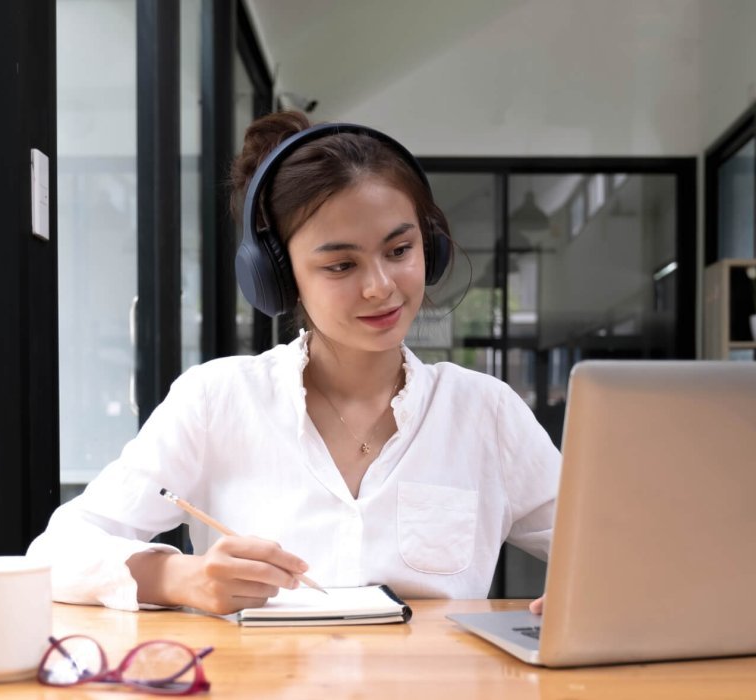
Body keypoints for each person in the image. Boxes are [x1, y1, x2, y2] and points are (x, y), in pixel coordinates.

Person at [28, 111, 560, 616]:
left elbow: (606, 553)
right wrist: (182, 578)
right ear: (279, 278)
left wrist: (585, 596)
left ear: (431, 246)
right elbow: (55, 554)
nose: (380, 286)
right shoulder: (217, 400)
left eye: (399, 250)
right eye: (341, 265)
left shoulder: (485, 412)